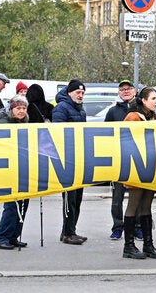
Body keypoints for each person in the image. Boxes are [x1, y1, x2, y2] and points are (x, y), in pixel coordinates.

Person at [120, 86, 156, 260]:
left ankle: (148, 244)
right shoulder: (133, 117)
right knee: (133, 204)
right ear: (144, 100)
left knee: (146, 205)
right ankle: (128, 246)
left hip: (150, 166)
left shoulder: (153, 116)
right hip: (136, 167)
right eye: (153, 98)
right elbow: (126, 140)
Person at [0, 95, 31, 250]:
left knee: (23, 204)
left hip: (22, 167)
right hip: (9, 168)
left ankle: (13, 236)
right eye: (18, 108)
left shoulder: (25, 123)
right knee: (11, 205)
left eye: (24, 108)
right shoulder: (4, 123)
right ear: (12, 109)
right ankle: (2, 237)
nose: (21, 111)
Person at [53, 79, 88, 245]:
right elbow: (58, 133)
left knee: (77, 198)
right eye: (77, 92)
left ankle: (70, 230)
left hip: (79, 158)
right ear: (69, 93)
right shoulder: (61, 108)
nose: (80, 95)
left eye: (82, 93)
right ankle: (68, 233)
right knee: (70, 198)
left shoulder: (80, 110)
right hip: (67, 160)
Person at [104, 80, 140, 241]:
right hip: (119, 159)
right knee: (117, 198)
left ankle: (137, 227)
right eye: (122, 89)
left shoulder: (140, 109)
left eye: (128, 88)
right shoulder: (113, 111)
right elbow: (105, 133)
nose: (126, 91)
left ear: (134, 91)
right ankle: (117, 227)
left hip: (137, 160)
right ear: (119, 93)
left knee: (137, 196)